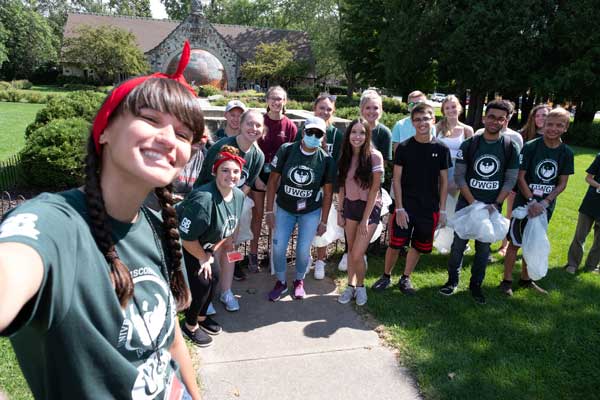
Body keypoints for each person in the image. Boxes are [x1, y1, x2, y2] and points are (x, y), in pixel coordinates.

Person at [0, 42, 203, 399]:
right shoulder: (54, 223)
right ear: (105, 130)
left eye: (183, 133)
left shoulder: (158, 228)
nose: (169, 138)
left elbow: (169, 337)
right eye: (151, 119)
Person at [439, 99, 519, 304]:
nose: (495, 121)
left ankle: (476, 286)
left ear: (506, 121)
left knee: (483, 250)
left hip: (492, 207)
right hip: (467, 204)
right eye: (491, 116)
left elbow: (510, 179)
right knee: (458, 246)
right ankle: (451, 282)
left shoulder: (510, 147)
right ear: (484, 117)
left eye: (501, 119)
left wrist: (496, 204)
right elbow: (459, 176)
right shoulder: (470, 144)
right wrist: (473, 201)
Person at [371, 102, 451, 293]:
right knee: (395, 244)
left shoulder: (441, 149)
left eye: (425, 118)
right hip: (405, 207)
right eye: (417, 120)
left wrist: (442, 210)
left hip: (428, 208)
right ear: (412, 123)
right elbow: (396, 180)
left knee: (418, 245)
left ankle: (405, 278)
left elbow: (444, 182)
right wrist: (399, 208)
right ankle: (386, 276)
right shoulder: (405, 148)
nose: (422, 123)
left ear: (433, 120)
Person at [194, 109, 265, 310]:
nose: (254, 128)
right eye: (250, 123)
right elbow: (206, 179)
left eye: (258, 125)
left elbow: (247, 184)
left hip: (233, 206)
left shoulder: (258, 155)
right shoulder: (221, 147)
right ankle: (206, 295)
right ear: (240, 125)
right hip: (210, 204)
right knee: (210, 249)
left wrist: (233, 209)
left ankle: (226, 291)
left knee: (230, 246)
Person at [500, 108, 574, 295]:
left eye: (559, 125)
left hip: (544, 208)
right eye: (550, 124)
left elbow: (562, 183)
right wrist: (532, 201)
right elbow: (520, 176)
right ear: (543, 124)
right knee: (515, 242)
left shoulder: (566, 152)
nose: (553, 128)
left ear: (566, 128)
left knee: (532, 242)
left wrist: (545, 202)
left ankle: (526, 279)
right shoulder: (531, 146)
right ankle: (506, 281)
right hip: (524, 204)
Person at [177, 146, 245, 346]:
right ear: (215, 171)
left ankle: (201, 317)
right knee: (203, 282)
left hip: (205, 246)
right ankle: (189, 325)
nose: (230, 175)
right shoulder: (204, 199)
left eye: (235, 171)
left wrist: (211, 252)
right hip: (185, 244)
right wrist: (203, 257)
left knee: (214, 278)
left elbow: (227, 228)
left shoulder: (238, 196)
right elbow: (186, 237)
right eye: (224, 170)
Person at [265, 116, 334, 301]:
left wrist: (324, 221)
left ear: (323, 136)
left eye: (318, 133)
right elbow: (272, 182)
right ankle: (281, 282)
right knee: (278, 247)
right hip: (285, 208)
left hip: (310, 211)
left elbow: (328, 193)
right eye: (310, 132)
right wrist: (269, 211)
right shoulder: (287, 150)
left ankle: (299, 280)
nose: (313, 136)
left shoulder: (326, 160)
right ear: (303, 132)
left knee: (303, 250)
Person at [338, 89, 391, 271]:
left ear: (381, 110)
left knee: (366, 227)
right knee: (351, 223)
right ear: (361, 109)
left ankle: (363, 254)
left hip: (370, 187)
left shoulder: (383, 133)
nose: (371, 111)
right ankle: (349, 253)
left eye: (375, 108)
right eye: (367, 107)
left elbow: (384, 164)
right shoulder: (355, 129)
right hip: (353, 189)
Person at [249, 86, 298, 272]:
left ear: (285, 101)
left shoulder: (290, 126)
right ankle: (253, 254)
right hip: (259, 178)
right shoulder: (260, 122)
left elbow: (292, 156)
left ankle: (273, 254)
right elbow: (252, 152)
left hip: (279, 181)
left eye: (280, 99)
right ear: (267, 100)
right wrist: (255, 178)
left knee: (275, 219)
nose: (277, 102)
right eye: (273, 98)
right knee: (258, 216)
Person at [295, 93, 344, 279]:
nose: (325, 111)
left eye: (329, 109)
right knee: (304, 224)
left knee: (323, 225)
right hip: (305, 185)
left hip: (325, 187)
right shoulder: (305, 129)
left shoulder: (335, 134)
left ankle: (321, 261)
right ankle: (305, 257)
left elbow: (338, 162)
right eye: (321, 107)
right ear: (314, 108)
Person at [336, 119, 383, 305]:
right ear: (348, 135)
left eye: (362, 133)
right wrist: (340, 211)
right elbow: (341, 187)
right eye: (354, 132)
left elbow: (374, 190)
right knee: (350, 251)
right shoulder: (345, 157)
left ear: (367, 135)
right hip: (350, 207)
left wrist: (365, 220)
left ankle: (361, 286)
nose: (357, 136)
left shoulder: (375, 156)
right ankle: (350, 286)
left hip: (369, 208)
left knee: (356, 254)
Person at [565, 152, 600, 274]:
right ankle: (572, 264)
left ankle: (592, 266)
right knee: (580, 235)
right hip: (591, 203)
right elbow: (588, 178)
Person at [436, 95, 474, 195]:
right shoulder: (437, 127)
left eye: (453, 107)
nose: (450, 110)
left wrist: (460, 177)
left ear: (459, 108)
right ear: (443, 111)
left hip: (457, 171)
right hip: (438, 169)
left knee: (450, 204)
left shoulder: (467, 130)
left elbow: (471, 156)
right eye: (447, 108)